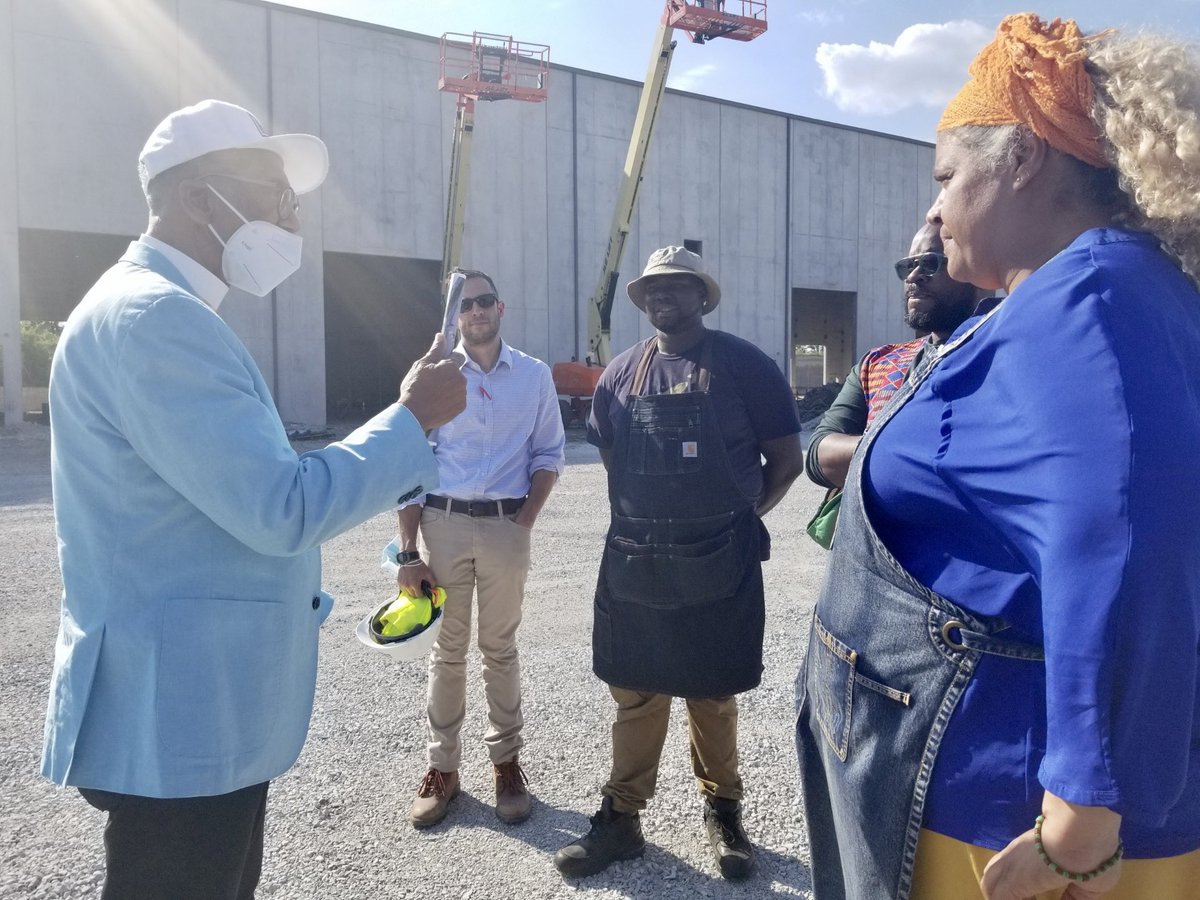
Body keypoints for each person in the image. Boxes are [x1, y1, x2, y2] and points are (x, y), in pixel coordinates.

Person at [796, 15, 1200, 900]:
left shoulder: (1094, 298)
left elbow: (1129, 540)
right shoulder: (1067, 298)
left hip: (993, 811)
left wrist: (1079, 819)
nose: (933, 210)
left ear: (1022, 159)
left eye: (946, 176)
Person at [41, 99, 466, 899]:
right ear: (199, 199)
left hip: (183, 707)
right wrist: (412, 420)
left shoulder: (156, 309)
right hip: (182, 716)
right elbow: (281, 508)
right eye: (273, 192)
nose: (291, 216)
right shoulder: (156, 319)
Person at [554, 246, 804, 881]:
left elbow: (786, 460)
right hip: (638, 560)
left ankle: (724, 812)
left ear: (701, 295)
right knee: (636, 691)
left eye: (674, 286)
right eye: (651, 290)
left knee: (712, 691)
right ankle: (622, 820)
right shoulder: (619, 374)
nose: (660, 296)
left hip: (719, 557)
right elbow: (614, 463)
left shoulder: (745, 366)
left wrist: (743, 518)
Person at [397, 268, 565, 828]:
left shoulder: (534, 376)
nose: (475, 311)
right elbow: (409, 462)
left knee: (500, 649)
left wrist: (525, 521)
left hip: (505, 527)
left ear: (501, 307)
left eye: (484, 300)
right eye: (466, 304)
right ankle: (442, 769)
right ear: (456, 315)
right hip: (443, 524)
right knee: (447, 651)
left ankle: (506, 765)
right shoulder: (434, 376)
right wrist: (409, 552)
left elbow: (549, 453)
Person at [805, 223, 982, 490]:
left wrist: (874, 450)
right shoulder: (877, 364)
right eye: (908, 266)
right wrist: (916, 453)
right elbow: (819, 456)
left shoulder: (1004, 356)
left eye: (931, 263)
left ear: (977, 268)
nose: (914, 276)